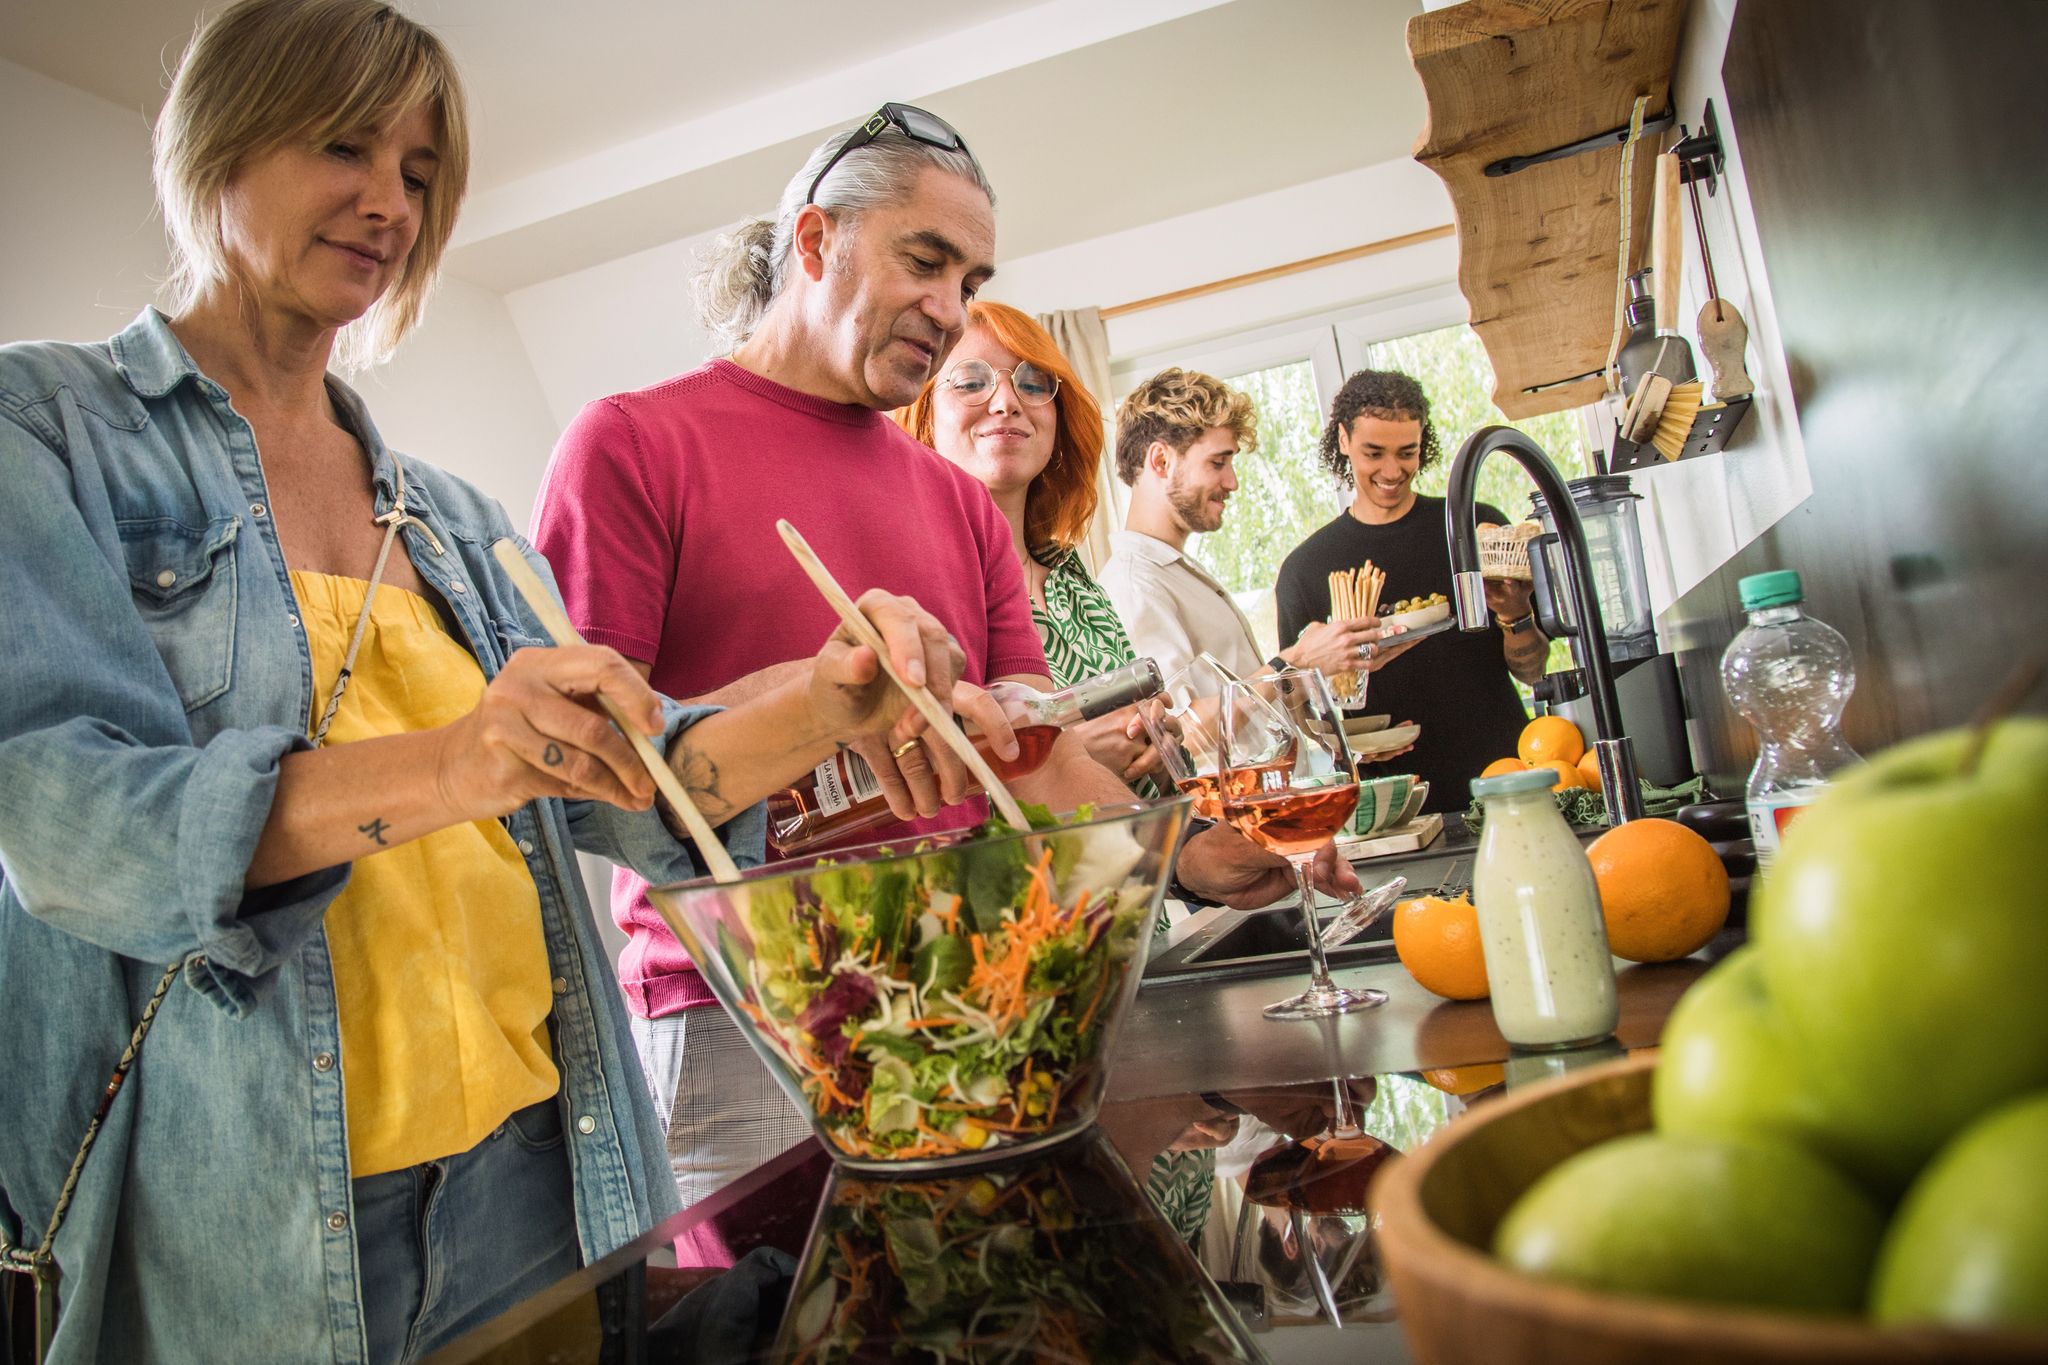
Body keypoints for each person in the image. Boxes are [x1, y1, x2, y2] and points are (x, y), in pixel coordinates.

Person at [0, 6, 974, 1360]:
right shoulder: (45, 428)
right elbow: (68, 819)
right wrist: (464, 758)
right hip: (262, 1214)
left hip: (541, 1165)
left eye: (418, 172)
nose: (388, 202)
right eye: (345, 145)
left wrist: (829, 699)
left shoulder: (452, 518)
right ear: (214, 142)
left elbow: (627, 796)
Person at [532, 107, 1359, 1214]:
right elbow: (581, 773)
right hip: (746, 1014)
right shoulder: (631, 445)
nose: (948, 309)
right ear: (815, 243)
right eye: (924, 261)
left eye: (968, 278)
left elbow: (1034, 753)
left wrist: (1192, 856)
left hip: (980, 983)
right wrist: (817, 699)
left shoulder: (949, 501)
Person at [896, 300, 1165, 788]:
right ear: (924, 419)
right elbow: (909, 788)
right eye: (972, 382)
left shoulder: (1071, 573)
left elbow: (1133, 732)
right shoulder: (911, 588)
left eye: (1032, 383)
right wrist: (1072, 758)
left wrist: (1155, 743)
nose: (1006, 402)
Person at [1275, 369, 1543, 813]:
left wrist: (1516, 616)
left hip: (1505, 778)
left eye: (1407, 452)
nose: (1392, 470)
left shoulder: (1474, 528)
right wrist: (1343, 750)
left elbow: (1532, 670)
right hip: (1393, 804)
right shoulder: (1307, 569)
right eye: (1373, 452)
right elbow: (1296, 709)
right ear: (1343, 440)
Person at [1099, 367, 1414, 688]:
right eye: (1217, 462)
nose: (1232, 482)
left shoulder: (1172, 571)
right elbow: (1183, 729)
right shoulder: (1134, 587)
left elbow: (1243, 718)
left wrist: (1330, 662)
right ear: (1161, 461)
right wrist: (1299, 659)